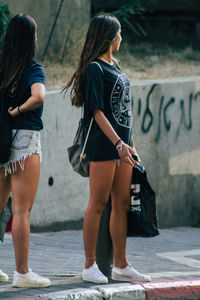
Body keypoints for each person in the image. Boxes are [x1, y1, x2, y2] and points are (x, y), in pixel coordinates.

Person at [63, 15, 151, 284]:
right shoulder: (94, 69)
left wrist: (131, 145)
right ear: (110, 37)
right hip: (104, 146)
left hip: (123, 148)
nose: (121, 38)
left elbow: (125, 112)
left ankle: (121, 265)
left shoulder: (117, 68)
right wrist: (117, 143)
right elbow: (97, 111)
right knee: (98, 203)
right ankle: (89, 265)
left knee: (121, 204)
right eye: (119, 33)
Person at [0, 14, 50, 288]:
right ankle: (22, 273)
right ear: (30, 39)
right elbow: (39, 95)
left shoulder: (3, 66)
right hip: (25, 141)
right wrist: (18, 110)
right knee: (21, 211)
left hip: (1, 140)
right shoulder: (33, 68)